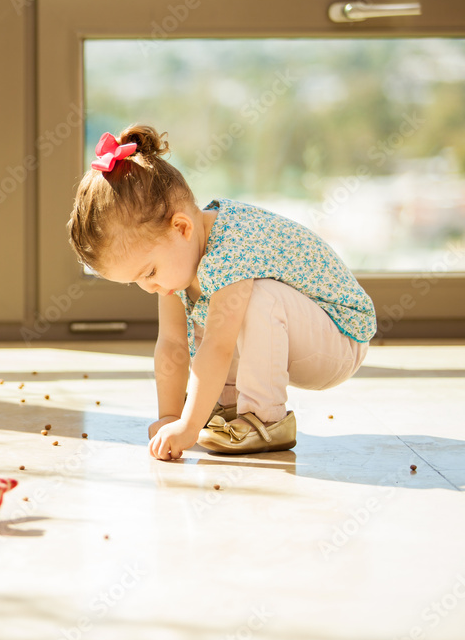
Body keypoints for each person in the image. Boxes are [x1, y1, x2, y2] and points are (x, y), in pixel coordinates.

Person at [68, 124, 376, 461]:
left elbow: (217, 346)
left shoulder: (232, 246)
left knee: (254, 301)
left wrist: (189, 426)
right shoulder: (178, 257)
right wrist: (171, 417)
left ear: (182, 227)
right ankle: (228, 409)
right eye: (137, 281)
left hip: (340, 337)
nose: (150, 286)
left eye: (150, 272)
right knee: (220, 313)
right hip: (296, 338)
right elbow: (171, 344)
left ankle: (265, 417)